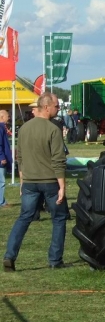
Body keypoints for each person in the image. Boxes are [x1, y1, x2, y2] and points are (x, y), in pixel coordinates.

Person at [3, 92, 70, 272]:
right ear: (47, 107)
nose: (58, 109)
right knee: (59, 219)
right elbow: (58, 159)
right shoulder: (53, 129)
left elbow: (21, 157)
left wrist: (23, 180)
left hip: (30, 181)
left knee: (24, 218)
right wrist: (62, 186)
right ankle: (55, 260)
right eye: (56, 106)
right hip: (49, 181)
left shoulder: (24, 128)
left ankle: (9, 256)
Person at [0, 109, 12, 208]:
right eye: (8, 116)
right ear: (2, 117)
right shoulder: (0, 128)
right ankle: (1, 201)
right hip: (1, 159)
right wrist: (2, 157)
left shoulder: (3, 128)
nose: (9, 118)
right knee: (2, 181)